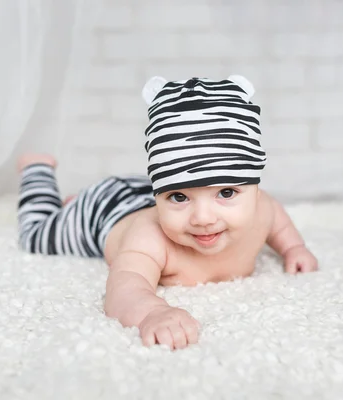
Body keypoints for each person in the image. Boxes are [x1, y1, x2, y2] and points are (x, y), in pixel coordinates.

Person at [16, 75, 319, 350]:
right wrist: (153, 311)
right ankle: (38, 171)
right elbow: (125, 285)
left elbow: (277, 221)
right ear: (160, 193)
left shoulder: (263, 208)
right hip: (102, 213)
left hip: (140, 192)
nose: (203, 218)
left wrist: (293, 247)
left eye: (226, 193)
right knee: (36, 235)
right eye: (179, 195)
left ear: (255, 189)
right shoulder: (150, 238)